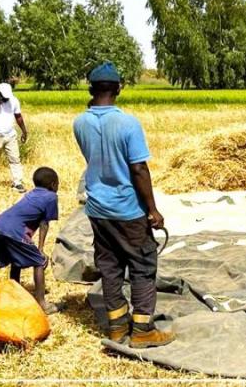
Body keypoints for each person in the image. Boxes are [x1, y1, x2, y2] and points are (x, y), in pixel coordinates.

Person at [73, 61, 174, 348]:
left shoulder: (79, 122)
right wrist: (152, 210)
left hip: (98, 209)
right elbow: (139, 169)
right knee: (142, 264)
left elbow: (94, 160)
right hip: (128, 211)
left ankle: (117, 326)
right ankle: (143, 330)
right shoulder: (128, 123)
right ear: (119, 88)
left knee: (110, 266)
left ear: (91, 88)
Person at [0, 167, 59, 314]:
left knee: (16, 260)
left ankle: (14, 294)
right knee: (39, 261)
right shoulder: (51, 197)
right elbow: (44, 224)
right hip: (13, 231)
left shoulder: (31, 194)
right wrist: (40, 250)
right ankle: (42, 304)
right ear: (53, 184)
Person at [0, 83, 29, 192]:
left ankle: (17, 183)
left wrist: (24, 131)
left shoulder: (14, 100)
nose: (6, 99)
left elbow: (18, 116)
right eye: (4, 97)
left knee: (15, 159)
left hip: (10, 134)